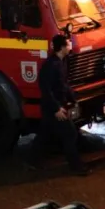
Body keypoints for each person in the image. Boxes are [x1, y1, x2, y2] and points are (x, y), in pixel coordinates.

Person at [35, 34, 88, 176]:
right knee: (70, 133)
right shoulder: (50, 65)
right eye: (69, 44)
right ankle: (76, 166)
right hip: (53, 107)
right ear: (62, 47)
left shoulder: (62, 62)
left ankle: (32, 160)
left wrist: (74, 99)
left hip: (56, 105)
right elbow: (46, 89)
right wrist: (56, 108)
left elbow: (63, 84)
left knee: (45, 134)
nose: (71, 46)